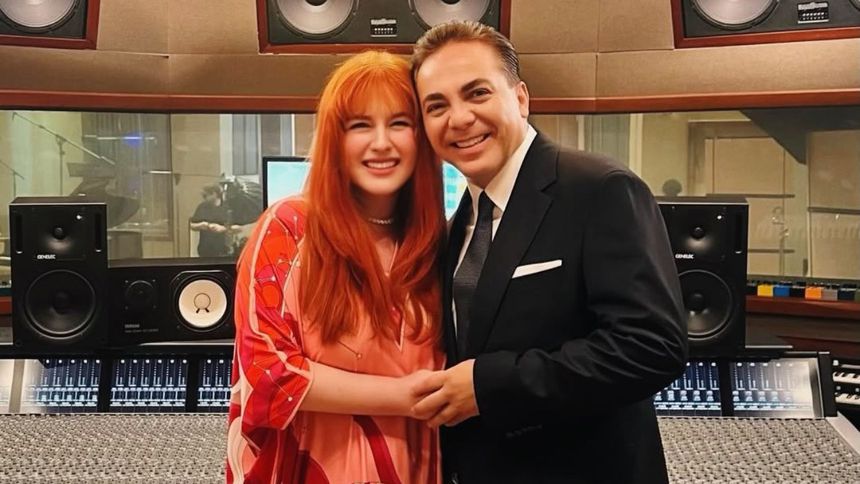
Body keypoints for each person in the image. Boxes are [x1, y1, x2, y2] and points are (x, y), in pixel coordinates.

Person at [410, 21, 688, 483]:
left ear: (520, 98)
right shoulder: (458, 224)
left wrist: (488, 385)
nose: (458, 118)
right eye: (436, 106)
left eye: (477, 93)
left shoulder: (599, 189)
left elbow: (650, 346)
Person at [225, 50, 446, 483]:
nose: (381, 143)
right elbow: (270, 373)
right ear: (334, 138)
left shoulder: (435, 242)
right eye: (360, 125)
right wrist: (405, 397)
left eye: (399, 123)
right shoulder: (289, 228)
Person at [189, 184, 233, 257]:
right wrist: (200, 225)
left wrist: (223, 229)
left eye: (205, 196)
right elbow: (191, 225)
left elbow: (238, 227)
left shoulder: (227, 208)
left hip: (223, 250)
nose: (204, 198)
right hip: (205, 250)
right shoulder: (202, 207)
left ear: (214, 194)